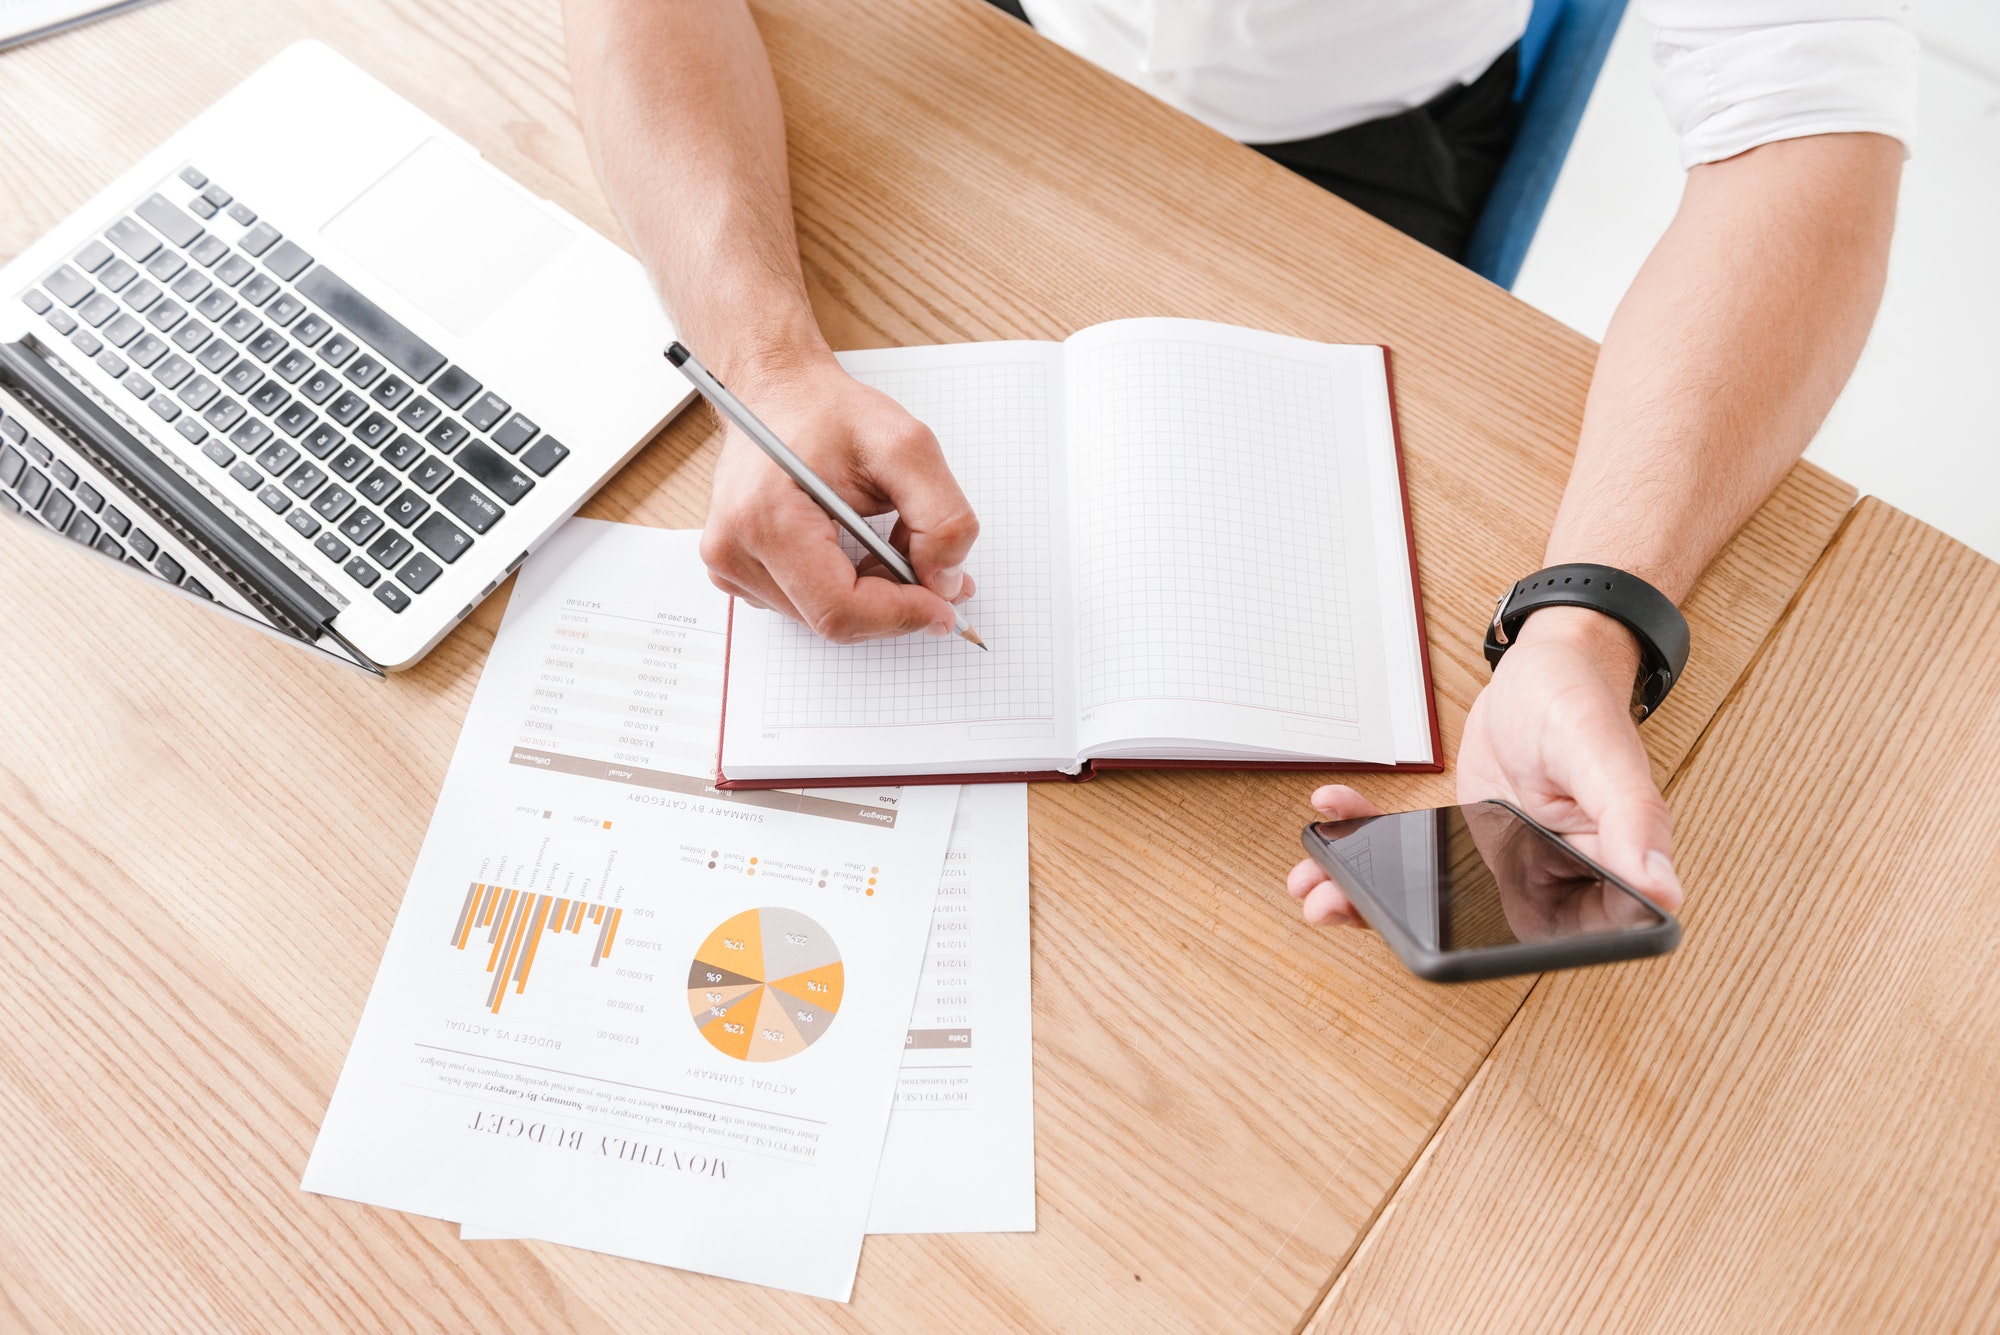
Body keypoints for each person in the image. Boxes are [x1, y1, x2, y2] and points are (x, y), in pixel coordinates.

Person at [561, 0, 1916, 929]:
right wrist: (765, 353)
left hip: (1336, 151)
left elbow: (1808, 139)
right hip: (991, 53)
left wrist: (1593, 613)